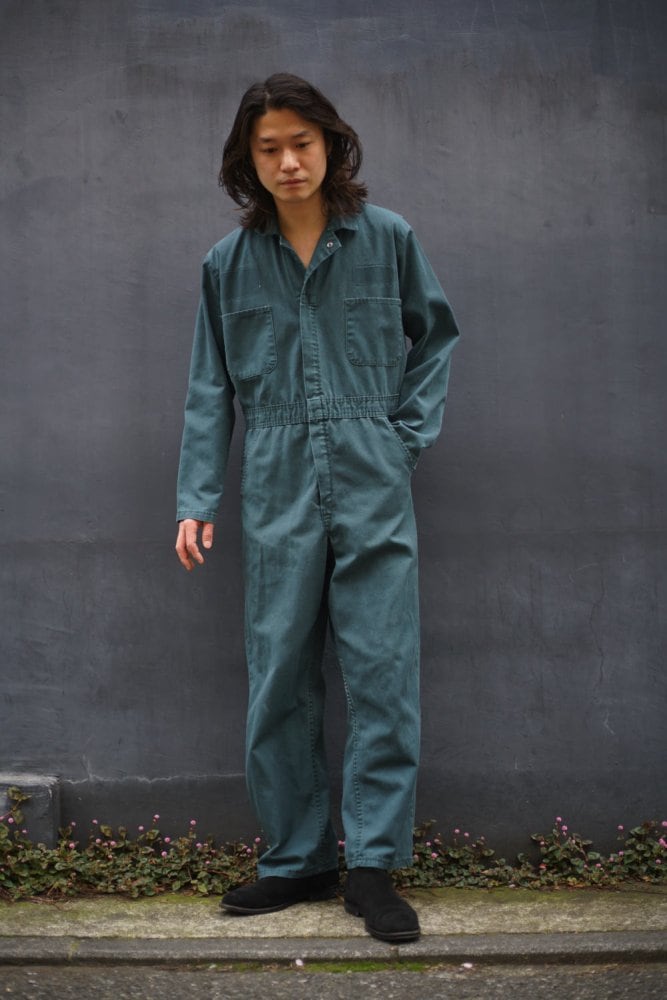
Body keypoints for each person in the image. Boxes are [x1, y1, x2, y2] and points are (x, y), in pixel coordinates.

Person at [175, 73, 459, 943]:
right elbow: (209, 388)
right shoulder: (227, 264)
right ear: (247, 159)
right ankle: (298, 859)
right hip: (275, 475)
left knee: (381, 670)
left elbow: (435, 337)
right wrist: (196, 496)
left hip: (371, 470)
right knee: (278, 672)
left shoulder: (387, 238)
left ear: (330, 145)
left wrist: (401, 440)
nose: (288, 161)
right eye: (269, 148)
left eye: (302, 143)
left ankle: (371, 867)